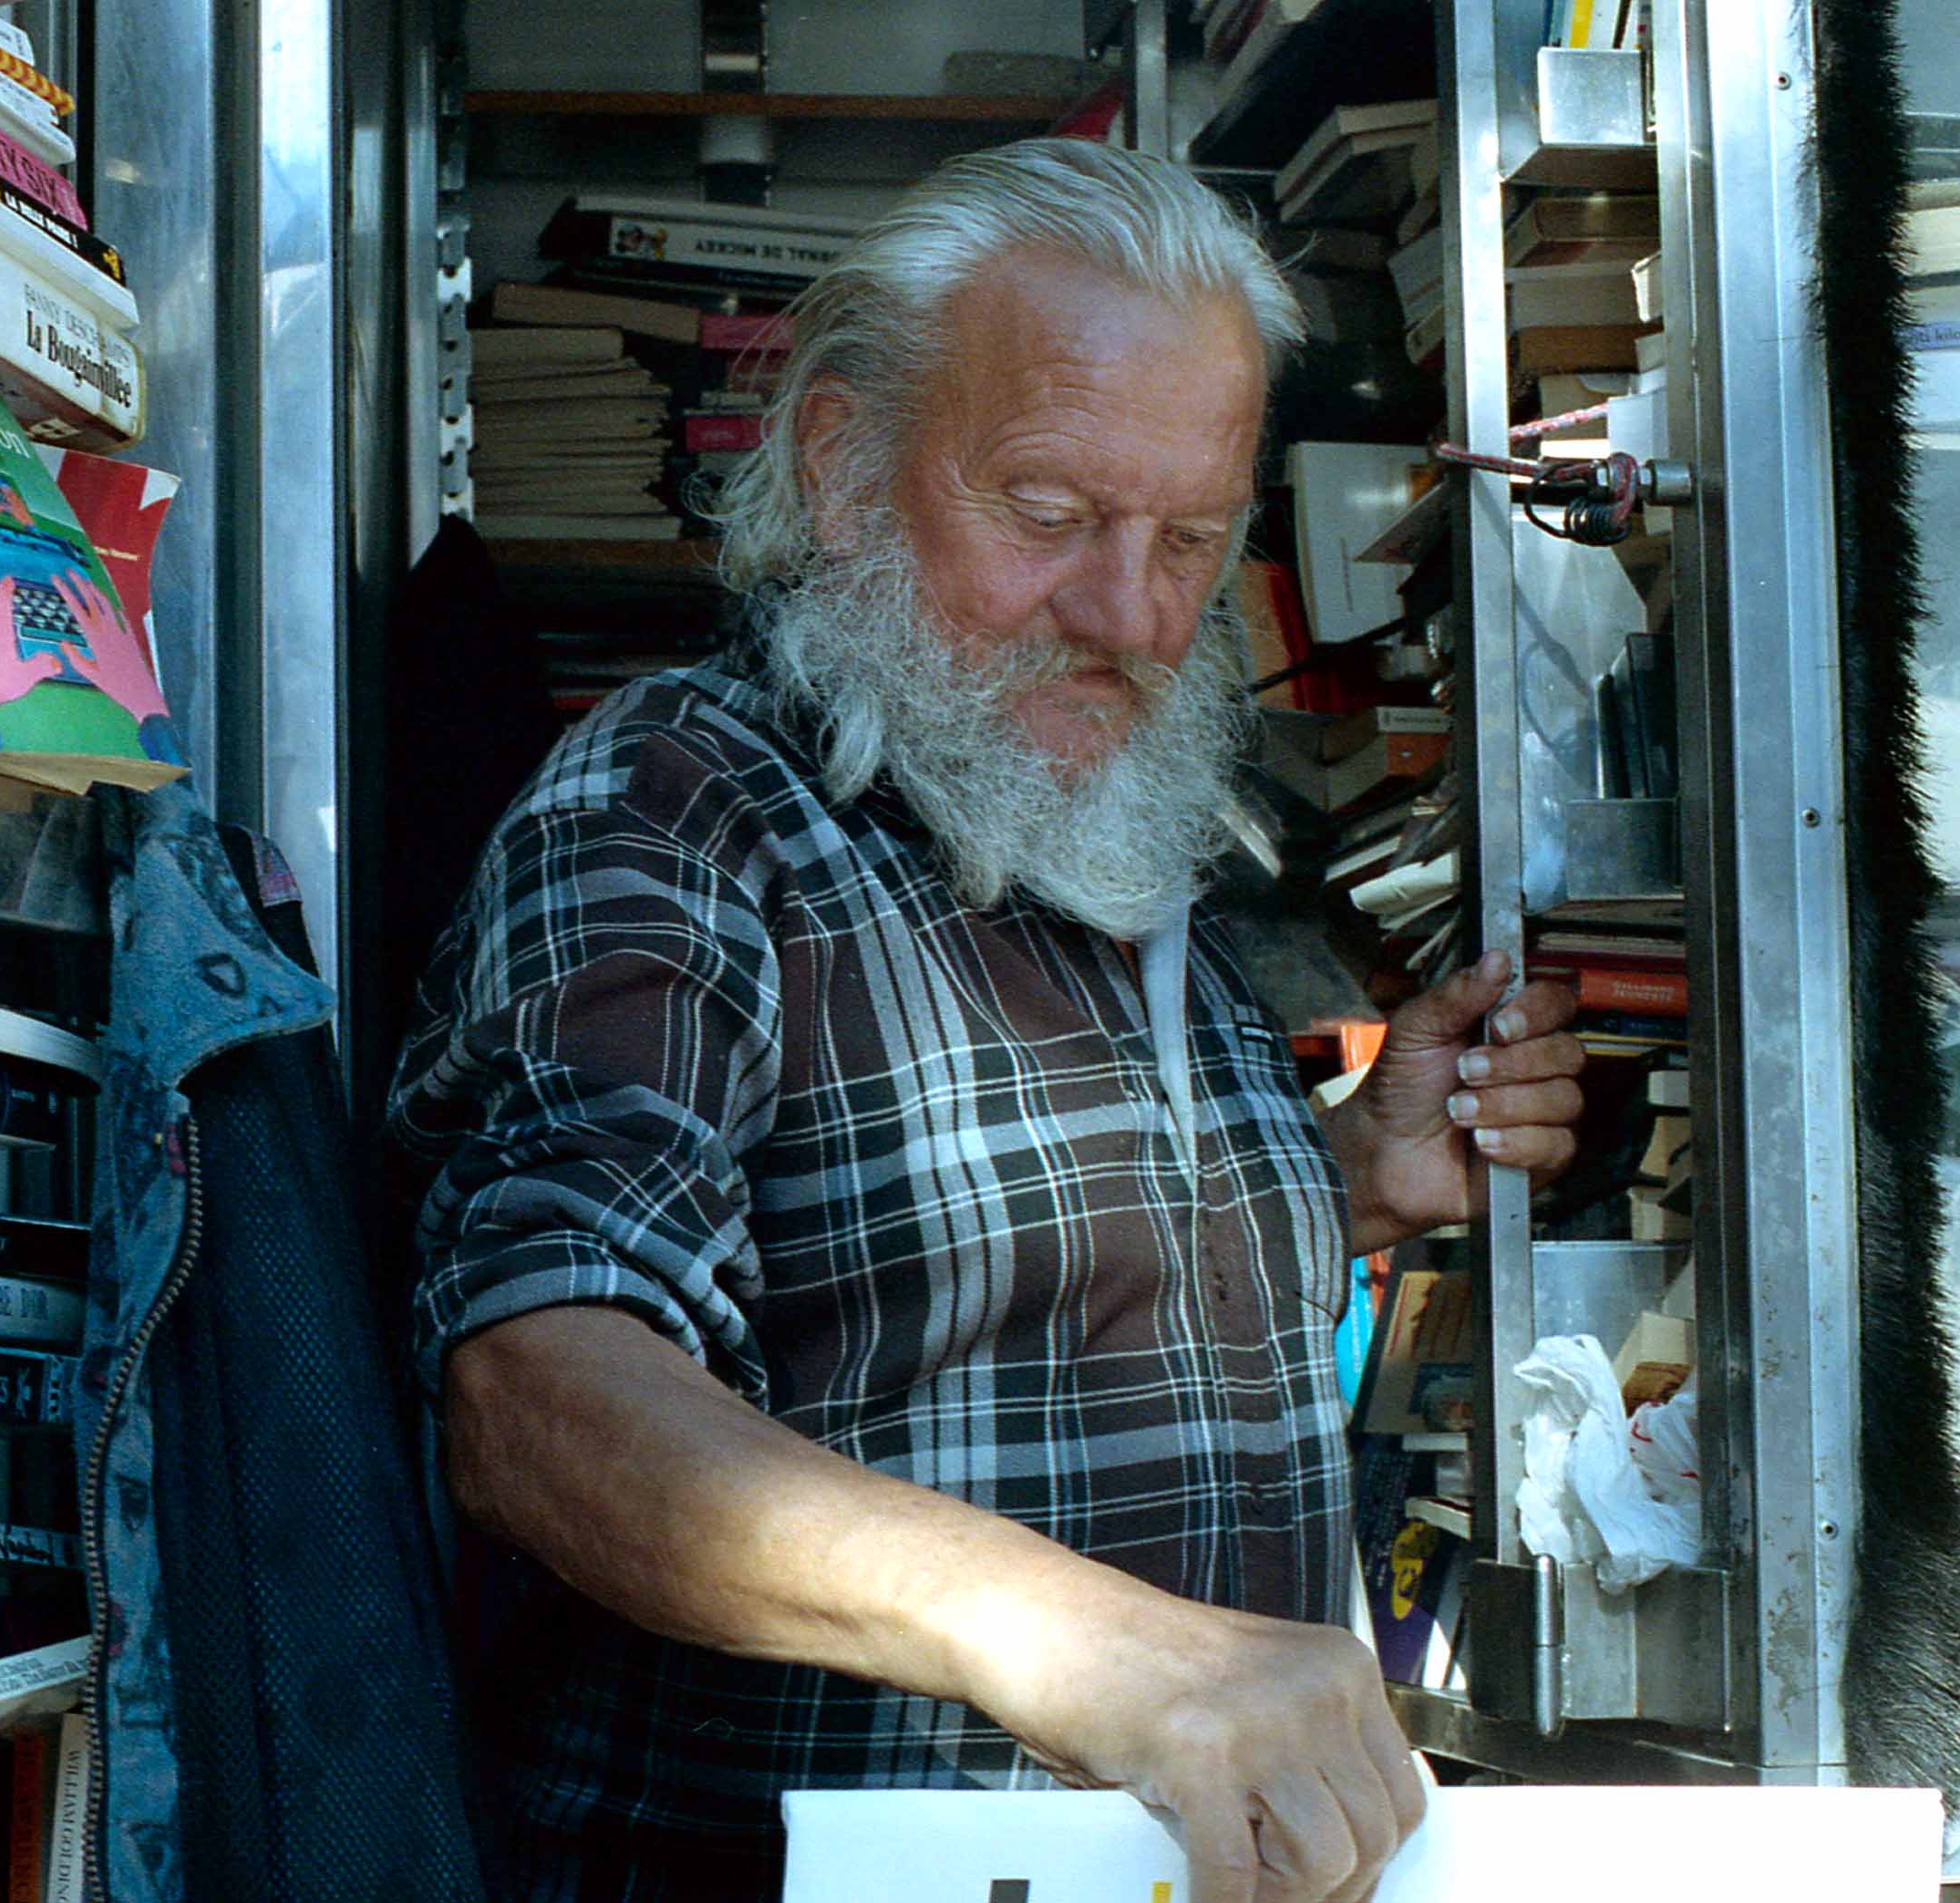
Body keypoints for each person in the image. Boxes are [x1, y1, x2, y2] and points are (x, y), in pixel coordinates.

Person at [387, 139, 1585, 1903]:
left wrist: (1349, 1181)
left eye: (1192, 539)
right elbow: (537, 1388)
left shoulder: (1105, 817)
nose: (1132, 616)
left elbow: (977, 1284)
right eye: (1047, 514)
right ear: (843, 465)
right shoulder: (678, 807)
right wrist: (1098, 1649)